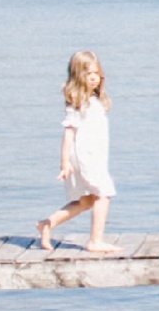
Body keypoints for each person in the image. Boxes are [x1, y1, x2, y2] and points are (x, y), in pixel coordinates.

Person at [38, 49, 118, 253]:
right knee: (104, 194)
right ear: (78, 76)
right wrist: (65, 163)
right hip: (84, 156)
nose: (94, 78)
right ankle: (95, 240)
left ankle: (48, 224)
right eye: (88, 74)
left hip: (96, 157)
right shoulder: (77, 103)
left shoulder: (95, 100)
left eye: (96, 74)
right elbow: (68, 135)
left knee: (87, 200)